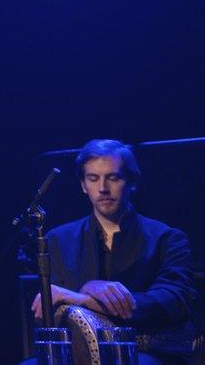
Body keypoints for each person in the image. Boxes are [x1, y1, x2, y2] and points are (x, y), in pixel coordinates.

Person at [32, 139, 197, 362]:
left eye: (113, 177)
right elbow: (53, 310)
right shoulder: (57, 239)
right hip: (77, 353)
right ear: (83, 185)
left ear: (132, 181)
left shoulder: (167, 238)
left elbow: (171, 300)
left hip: (145, 350)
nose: (102, 188)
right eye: (93, 178)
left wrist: (84, 295)